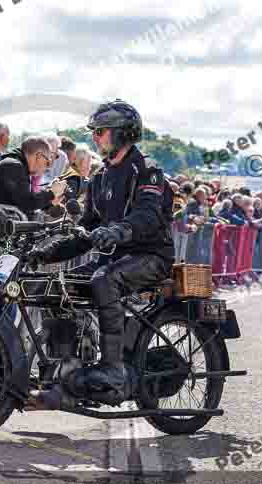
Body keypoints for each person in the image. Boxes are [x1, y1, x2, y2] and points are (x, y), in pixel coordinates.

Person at [28, 99, 174, 408]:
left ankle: (113, 370)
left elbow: (149, 216)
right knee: (60, 286)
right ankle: (65, 366)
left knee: (105, 279)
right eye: (94, 132)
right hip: (115, 257)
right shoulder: (101, 177)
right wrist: (43, 252)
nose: (95, 138)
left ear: (122, 134)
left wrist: (118, 231)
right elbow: (85, 232)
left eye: (101, 131)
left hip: (150, 256)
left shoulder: (146, 171)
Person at [0, 137, 66, 282]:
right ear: (38, 156)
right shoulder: (13, 166)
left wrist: (50, 205)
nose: (48, 167)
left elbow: (20, 198)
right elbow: (26, 201)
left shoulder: (18, 166)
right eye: (47, 161)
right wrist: (51, 193)